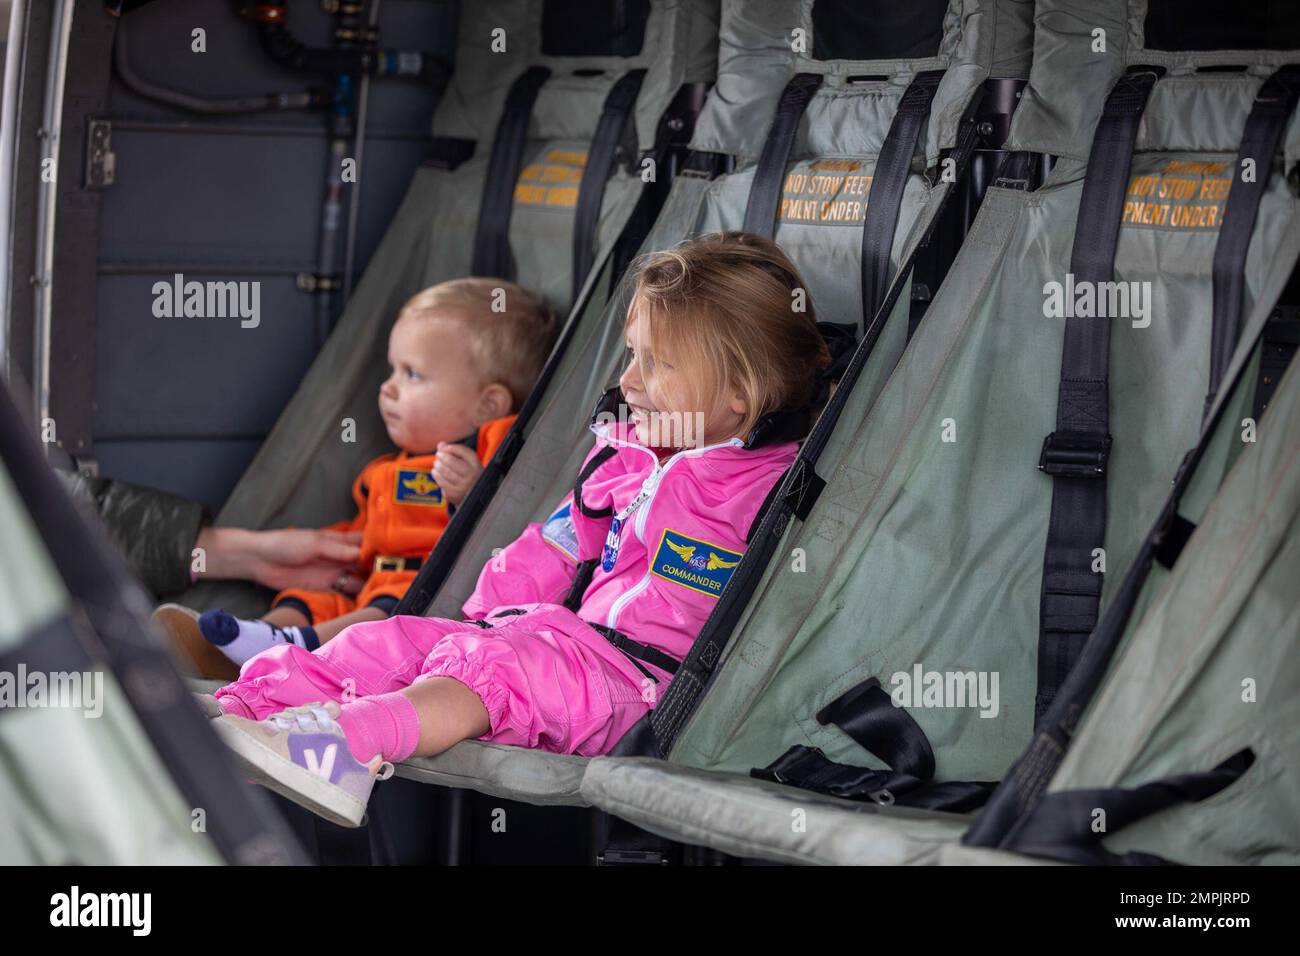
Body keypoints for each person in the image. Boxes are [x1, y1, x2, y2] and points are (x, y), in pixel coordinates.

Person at [203, 232, 833, 827]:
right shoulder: (623, 456)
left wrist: (503, 638)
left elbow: (711, 620)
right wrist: (481, 617)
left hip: (645, 690)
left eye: (659, 365)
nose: (628, 382)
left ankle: (338, 751)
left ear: (739, 397)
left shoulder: (758, 491)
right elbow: (556, 546)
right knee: (387, 641)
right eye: (632, 355)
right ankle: (234, 719)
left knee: (499, 666)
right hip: (559, 647)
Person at [157, 278, 556, 680]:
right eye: (392, 370)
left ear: (488, 405)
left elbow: (515, 516)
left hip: (427, 591)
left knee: (381, 612)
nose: (387, 388)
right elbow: (363, 529)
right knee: (312, 596)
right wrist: (332, 551)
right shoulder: (385, 469)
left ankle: (288, 657)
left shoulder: (492, 447)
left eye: (412, 375)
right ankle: (262, 636)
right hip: (366, 580)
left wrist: (473, 489)